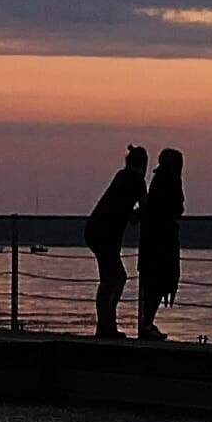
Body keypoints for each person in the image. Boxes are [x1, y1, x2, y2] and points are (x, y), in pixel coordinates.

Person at [86, 145, 147, 337]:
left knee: (109, 279)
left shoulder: (121, 176)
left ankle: (105, 325)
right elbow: (141, 212)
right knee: (115, 278)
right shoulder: (138, 181)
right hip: (107, 234)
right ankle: (107, 325)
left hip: (95, 229)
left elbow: (121, 207)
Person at [136, 148, 184, 341]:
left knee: (153, 283)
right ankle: (147, 324)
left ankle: (146, 323)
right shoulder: (171, 181)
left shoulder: (159, 180)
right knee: (158, 282)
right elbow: (176, 207)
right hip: (162, 241)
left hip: (153, 239)